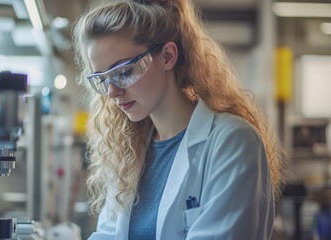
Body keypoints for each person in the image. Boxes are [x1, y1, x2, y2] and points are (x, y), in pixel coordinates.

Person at [72, 0, 286, 239]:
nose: (112, 92)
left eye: (123, 72)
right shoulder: (130, 151)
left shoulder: (233, 142)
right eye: (102, 79)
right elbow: (109, 234)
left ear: (168, 56)